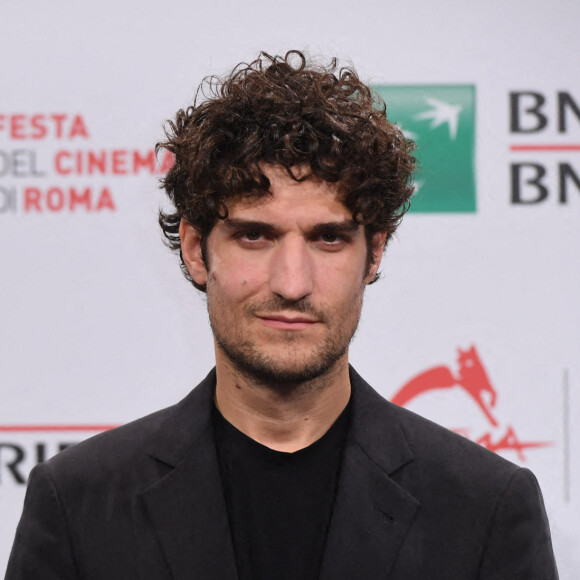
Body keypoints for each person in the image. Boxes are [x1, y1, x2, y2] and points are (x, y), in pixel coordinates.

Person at [6, 51, 558, 580]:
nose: (292, 284)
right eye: (254, 235)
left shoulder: (485, 508)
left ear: (375, 253)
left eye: (329, 239)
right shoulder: (78, 503)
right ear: (197, 250)